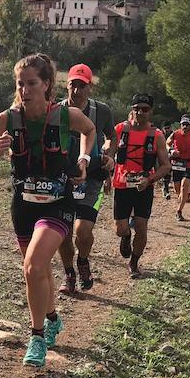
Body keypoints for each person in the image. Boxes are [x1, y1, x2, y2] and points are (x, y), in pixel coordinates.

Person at [0, 53, 96, 367]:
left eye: (31, 83)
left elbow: (90, 130)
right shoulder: (7, 119)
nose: (24, 90)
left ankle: (38, 336)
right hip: (23, 204)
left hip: (58, 202)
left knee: (32, 266)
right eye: (20, 84)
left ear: (46, 85)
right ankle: (52, 318)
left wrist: (83, 158)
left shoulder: (66, 115)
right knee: (37, 270)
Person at [56, 64, 115, 294]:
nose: (77, 90)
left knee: (82, 231)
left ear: (90, 88)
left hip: (92, 179)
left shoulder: (102, 111)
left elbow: (112, 136)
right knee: (63, 232)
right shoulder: (56, 111)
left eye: (82, 86)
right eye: (73, 85)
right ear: (67, 85)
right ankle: (69, 273)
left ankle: (83, 260)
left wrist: (108, 156)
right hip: (62, 180)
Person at [107, 93, 171, 279]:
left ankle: (134, 263)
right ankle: (126, 236)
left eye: (145, 109)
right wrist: (106, 173)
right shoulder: (120, 130)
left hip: (144, 186)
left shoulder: (157, 136)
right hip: (121, 185)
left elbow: (166, 165)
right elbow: (109, 153)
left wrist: (149, 180)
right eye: (136, 109)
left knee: (142, 226)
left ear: (150, 112)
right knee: (120, 228)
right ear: (131, 110)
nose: (140, 112)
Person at [168, 115, 190, 221]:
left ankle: (179, 211)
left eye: (187, 125)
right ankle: (183, 198)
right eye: (183, 124)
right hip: (177, 163)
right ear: (180, 124)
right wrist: (171, 150)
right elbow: (167, 143)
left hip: (189, 164)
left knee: (184, 187)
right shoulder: (175, 134)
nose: (184, 126)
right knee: (177, 188)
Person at [160, 122, 173, 200]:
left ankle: (166, 188)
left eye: (168, 128)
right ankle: (165, 189)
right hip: (160, 155)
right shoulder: (160, 135)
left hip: (170, 155)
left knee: (168, 172)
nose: (167, 130)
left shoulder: (173, 134)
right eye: (165, 128)